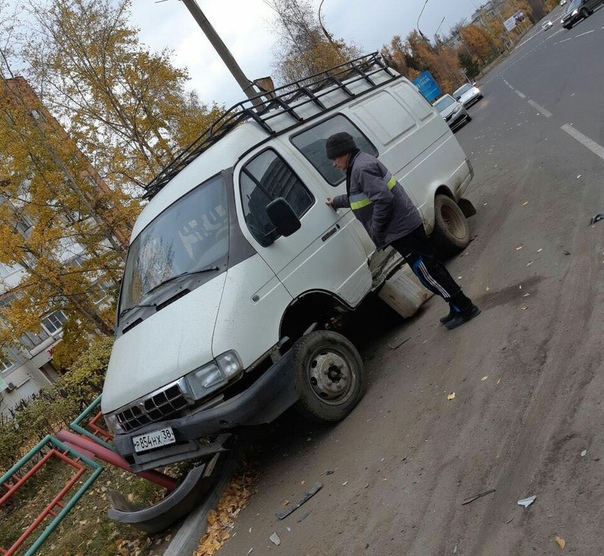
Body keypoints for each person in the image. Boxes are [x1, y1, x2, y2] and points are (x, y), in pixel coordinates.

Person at [324, 132, 480, 330]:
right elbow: (360, 198)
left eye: (334, 158)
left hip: (403, 230)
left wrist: (376, 229)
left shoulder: (361, 169)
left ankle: (465, 307)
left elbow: (383, 199)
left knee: (428, 272)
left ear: (343, 153)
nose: (333, 164)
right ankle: (456, 306)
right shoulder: (359, 165)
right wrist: (336, 201)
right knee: (430, 269)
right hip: (405, 227)